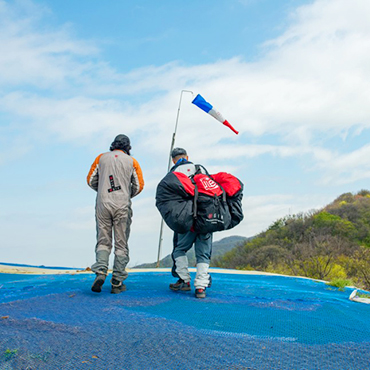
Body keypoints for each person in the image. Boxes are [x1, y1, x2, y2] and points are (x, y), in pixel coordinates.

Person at [87, 134, 144, 294]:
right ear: (128, 147)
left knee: (103, 240)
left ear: (113, 145)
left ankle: (100, 272)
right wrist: (126, 193)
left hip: (103, 203)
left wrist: (103, 190)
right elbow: (139, 185)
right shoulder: (132, 162)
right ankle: (117, 282)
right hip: (122, 204)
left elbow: (90, 180)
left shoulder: (101, 158)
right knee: (121, 242)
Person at [169, 147, 212, 299]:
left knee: (179, 250)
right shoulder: (200, 168)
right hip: (206, 217)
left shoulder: (173, 173)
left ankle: (184, 281)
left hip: (186, 219)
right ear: (187, 156)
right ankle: (201, 288)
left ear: (173, 159)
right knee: (203, 254)